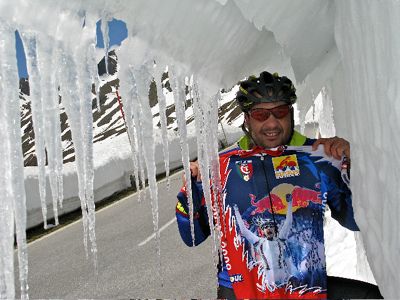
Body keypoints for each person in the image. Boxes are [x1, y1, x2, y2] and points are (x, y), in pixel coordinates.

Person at [175, 72, 374, 299]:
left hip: (303, 287)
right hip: (240, 291)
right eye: (261, 114)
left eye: (279, 112)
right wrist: (191, 191)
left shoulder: (319, 158)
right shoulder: (222, 168)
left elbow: (357, 220)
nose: (272, 123)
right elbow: (192, 237)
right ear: (247, 119)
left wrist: (354, 164)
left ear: (290, 113)